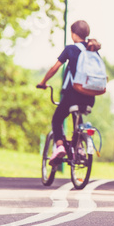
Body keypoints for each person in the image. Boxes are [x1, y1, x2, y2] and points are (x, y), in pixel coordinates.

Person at [38, 20, 101, 165]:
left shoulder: (70, 49)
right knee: (78, 122)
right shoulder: (93, 49)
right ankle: (79, 148)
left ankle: (60, 146)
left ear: (73, 34)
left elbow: (55, 68)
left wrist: (43, 82)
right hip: (90, 97)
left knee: (57, 119)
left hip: (72, 96)